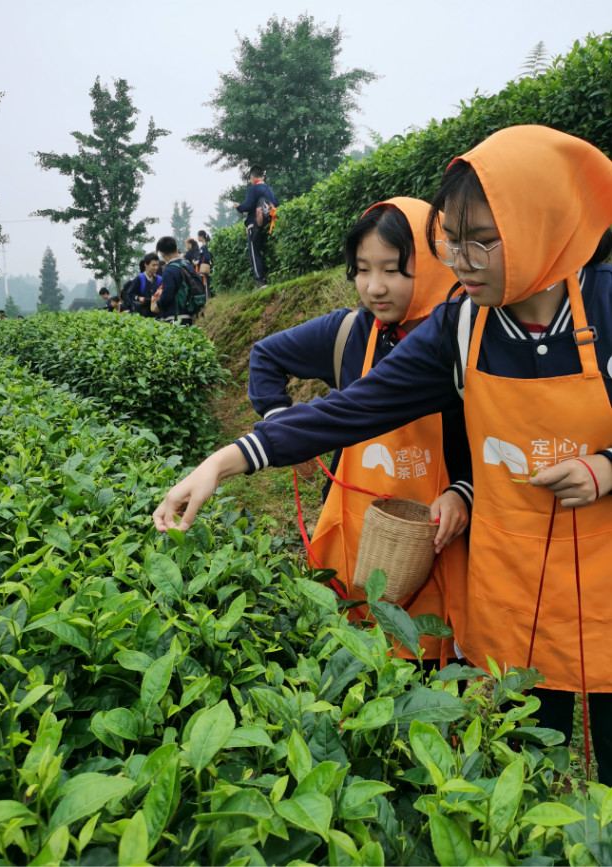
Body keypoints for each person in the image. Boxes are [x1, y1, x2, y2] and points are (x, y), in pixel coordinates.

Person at [154, 126, 612, 783]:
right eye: (452, 238)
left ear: (542, 225)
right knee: (524, 779)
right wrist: (224, 462)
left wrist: (606, 466)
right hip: (515, 599)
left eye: (483, 238)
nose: (460, 259)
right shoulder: (458, 328)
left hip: (607, 590)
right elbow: (350, 408)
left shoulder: (607, 307)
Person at [248, 197, 471, 665]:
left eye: (393, 270)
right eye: (362, 269)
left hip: (438, 538)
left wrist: (464, 490)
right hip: (357, 526)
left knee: (427, 664)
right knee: (352, 652)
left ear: (432, 262)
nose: (374, 287)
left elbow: (491, 435)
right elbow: (265, 356)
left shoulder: (465, 338)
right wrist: (276, 420)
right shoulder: (348, 333)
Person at [232, 164, 279, 289]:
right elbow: (277, 203)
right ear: (262, 176)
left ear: (252, 177)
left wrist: (238, 207)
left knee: (254, 252)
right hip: (268, 224)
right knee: (264, 250)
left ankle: (260, 281)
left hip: (254, 225)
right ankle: (271, 277)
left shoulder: (253, 190)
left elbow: (247, 206)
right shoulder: (269, 189)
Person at [155, 236, 192, 325]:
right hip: (189, 315)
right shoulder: (187, 265)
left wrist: (158, 305)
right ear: (176, 249)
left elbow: (168, 295)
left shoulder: (169, 270)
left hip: (175, 317)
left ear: (162, 253)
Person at [197, 230, 213, 299]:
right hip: (207, 265)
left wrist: (200, 262)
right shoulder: (205, 245)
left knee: (207, 283)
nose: (197, 238)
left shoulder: (205, 246)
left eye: (198, 236)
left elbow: (206, 257)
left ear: (201, 236)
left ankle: (209, 298)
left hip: (206, 266)